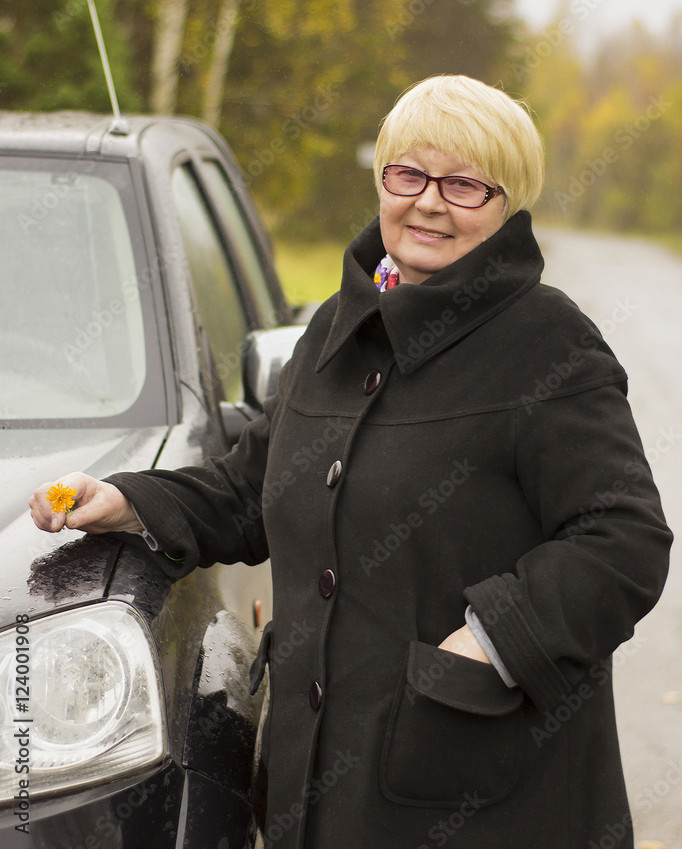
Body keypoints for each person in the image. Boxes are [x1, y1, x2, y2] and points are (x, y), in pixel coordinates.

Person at [30, 75, 672, 849]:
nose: (429, 201)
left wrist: (496, 636)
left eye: (465, 184)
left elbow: (624, 538)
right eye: (410, 174)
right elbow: (250, 489)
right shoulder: (336, 328)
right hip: (318, 796)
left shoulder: (550, 346)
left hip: (480, 798)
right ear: (383, 182)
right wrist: (129, 500)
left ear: (508, 204)